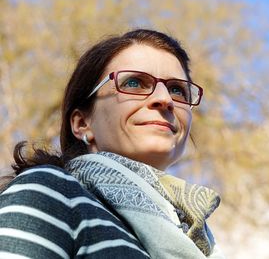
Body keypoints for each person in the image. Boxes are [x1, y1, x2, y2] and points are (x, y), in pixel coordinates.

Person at [0, 29, 224, 258]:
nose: (165, 99)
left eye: (177, 89)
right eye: (134, 83)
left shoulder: (197, 237)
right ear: (82, 123)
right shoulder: (49, 193)